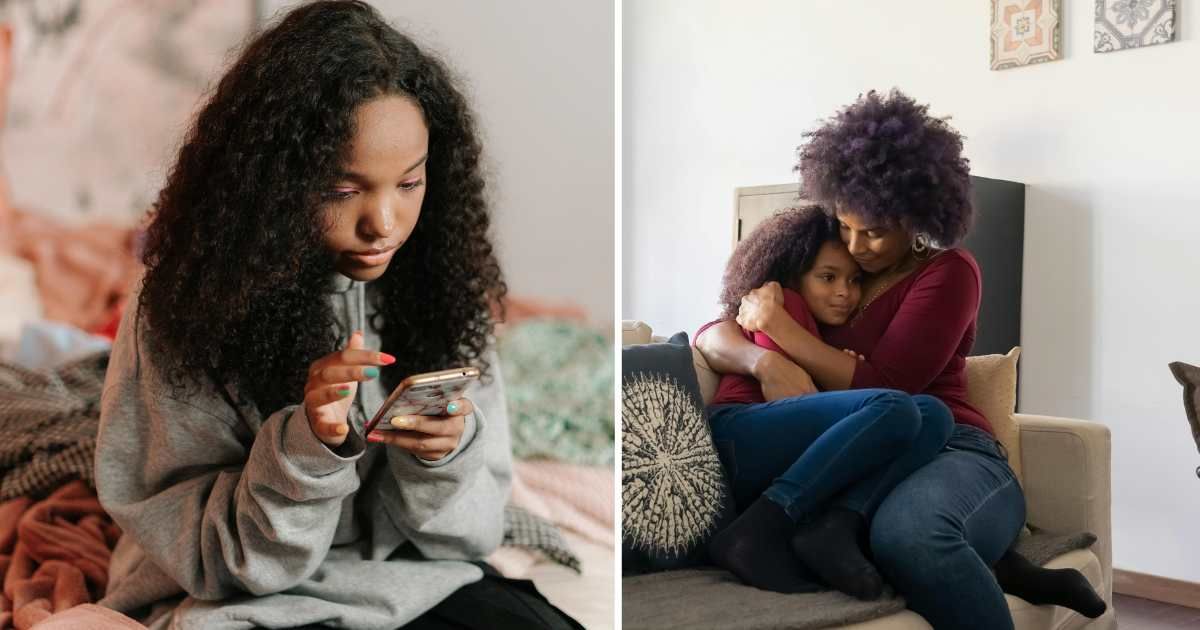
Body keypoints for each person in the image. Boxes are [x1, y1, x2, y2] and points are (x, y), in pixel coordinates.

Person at [94, 3, 581, 629]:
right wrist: (306, 451)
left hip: (419, 581)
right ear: (269, 184)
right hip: (244, 598)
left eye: (409, 183)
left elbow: (469, 539)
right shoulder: (181, 306)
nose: (384, 223)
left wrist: (446, 457)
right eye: (343, 190)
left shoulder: (444, 282)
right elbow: (217, 565)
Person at [698, 89, 1105, 629]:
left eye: (875, 232)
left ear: (916, 216)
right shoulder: (829, 271)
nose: (858, 245)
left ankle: (1002, 563)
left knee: (912, 531)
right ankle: (1008, 568)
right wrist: (758, 352)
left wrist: (778, 331)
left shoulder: (949, 272)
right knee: (864, 518)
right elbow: (712, 330)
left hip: (956, 446)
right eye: (846, 226)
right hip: (866, 454)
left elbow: (892, 383)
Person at [702, 206, 953, 600]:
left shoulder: (822, 328)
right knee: (896, 408)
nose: (844, 292)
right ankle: (756, 532)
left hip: (773, 442)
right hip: (738, 433)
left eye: (854, 281)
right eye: (827, 277)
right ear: (792, 275)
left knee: (934, 413)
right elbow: (791, 393)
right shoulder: (779, 302)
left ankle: (832, 527)